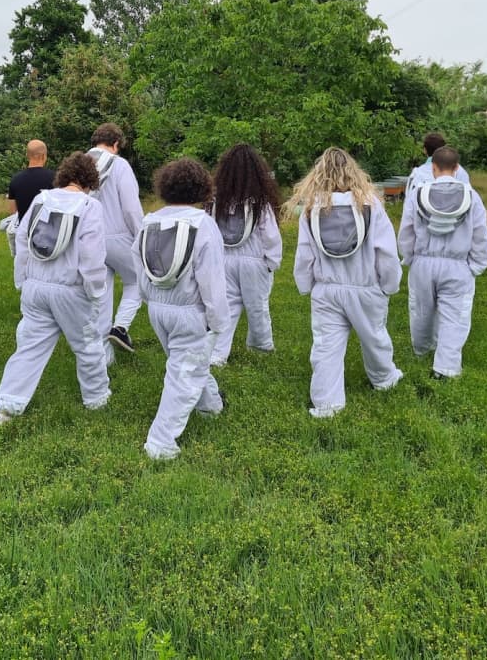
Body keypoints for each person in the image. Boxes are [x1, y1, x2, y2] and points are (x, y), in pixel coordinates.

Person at [0, 152, 111, 422]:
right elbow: (92, 254)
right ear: (90, 180)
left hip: (35, 285)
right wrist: (95, 290)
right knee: (87, 345)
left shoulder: (41, 199)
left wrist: (22, 279)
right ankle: (96, 399)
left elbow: (22, 239)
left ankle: (7, 406)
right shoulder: (90, 206)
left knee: (29, 346)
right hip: (70, 289)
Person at [288, 147, 403, 418]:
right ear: (353, 172)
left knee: (326, 346)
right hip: (365, 286)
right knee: (374, 337)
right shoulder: (371, 206)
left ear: (319, 175)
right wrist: (390, 284)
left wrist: (305, 284)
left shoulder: (312, 210)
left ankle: (327, 404)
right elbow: (386, 251)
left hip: (326, 289)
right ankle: (384, 379)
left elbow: (304, 254)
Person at [134, 158, 228, 460]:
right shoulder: (203, 224)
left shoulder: (150, 222)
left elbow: (139, 269)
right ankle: (160, 444)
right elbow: (212, 278)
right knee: (183, 374)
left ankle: (210, 406)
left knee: (186, 363)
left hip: (158, 308)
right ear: (202, 188)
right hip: (190, 310)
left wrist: (150, 300)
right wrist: (217, 320)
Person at [398, 145, 487, 379]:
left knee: (421, 310)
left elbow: (406, 231)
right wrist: (477, 265)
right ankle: (445, 368)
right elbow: (480, 234)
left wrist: (408, 257)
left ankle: (421, 350)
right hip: (457, 265)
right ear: (457, 167)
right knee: (455, 315)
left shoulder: (417, 194)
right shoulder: (471, 196)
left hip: (422, 263)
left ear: (433, 168)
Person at [206, 143, 283, 366]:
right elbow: (270, 235)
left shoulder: (216, 202)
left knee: (226, 306)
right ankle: (261, 346)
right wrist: (272, 261)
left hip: (225, 260)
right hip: (254, 262)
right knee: (257, 306)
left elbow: (209, 230)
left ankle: (217, 353)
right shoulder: (260, 204)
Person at [86, 122, 144, 357]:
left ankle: (103, 355)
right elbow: (130, 207)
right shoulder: (119, 165)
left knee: (101, 295)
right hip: (119, 237)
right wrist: (141, 235)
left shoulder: (80, 163)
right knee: (138, 281)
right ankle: (120, 327)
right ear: (116, 143)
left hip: (90, 238)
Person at [1, 140, 56, 257]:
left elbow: (12, 211)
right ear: (44, 156)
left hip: (24, 234)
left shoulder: (15, 179)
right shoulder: (54, 178)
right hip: (48, 235)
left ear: (27, 155)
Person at [405, 133, 471, 193]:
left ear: (425, 150)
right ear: (444, 149)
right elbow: (469, 194)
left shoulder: (417, 173)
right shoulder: (459, 171)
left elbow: (409, 197)